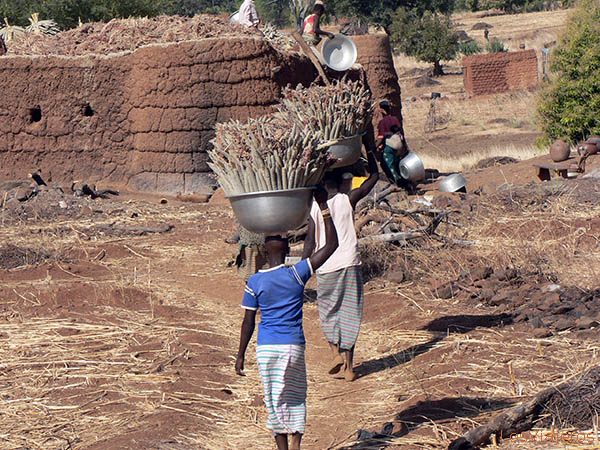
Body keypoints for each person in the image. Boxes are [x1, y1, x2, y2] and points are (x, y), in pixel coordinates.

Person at [235, 187, 339, 450]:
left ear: (265, 250)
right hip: (292, 346)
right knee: (295, 396)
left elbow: (248, 322)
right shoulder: (296, 274)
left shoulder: (255, 281)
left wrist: (240, 354)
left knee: (273, 400)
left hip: (267, 348)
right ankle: (296, 444)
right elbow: (329, 246)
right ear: (286, 249)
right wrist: (321, 207)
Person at [302, 137, 379, 382]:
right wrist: (371, 150)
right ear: (339, 184)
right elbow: (373, 179)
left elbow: (310, 241)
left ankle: (335, 352)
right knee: (349, 313)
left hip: (325, 266)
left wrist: (303, 268)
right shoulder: (348, 199)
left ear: (322, 185)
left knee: (328, 311)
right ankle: (349, 368)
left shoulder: (315, 209)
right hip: (349, 262)